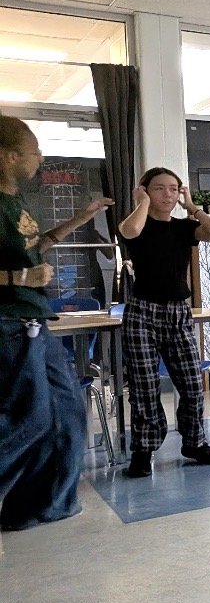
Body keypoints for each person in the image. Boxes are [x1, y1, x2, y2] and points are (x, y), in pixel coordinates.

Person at [0, 116, 112, 530]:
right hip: (9, 322)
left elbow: (37, 246)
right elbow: (23, 269)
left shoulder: (15, 200)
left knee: (67, 412)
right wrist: (19, 278)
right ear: (8, 156)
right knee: (28, 418)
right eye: (34, 152)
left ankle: (42, 505)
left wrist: (82, 217)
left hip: (34, 319)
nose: (40, 159)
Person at [117, 167, 210, 478]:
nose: (167, 194)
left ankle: (194, 442)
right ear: (145, 191)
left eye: (173, 189)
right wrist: (141, 203)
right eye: (159, 188)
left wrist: (192, 207)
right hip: (142, 313)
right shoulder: (137, 223)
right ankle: (143, 449)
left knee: (192, 383)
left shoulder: (183, 227)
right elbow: (129, 232)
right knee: (145, 386)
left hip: (178, 312)